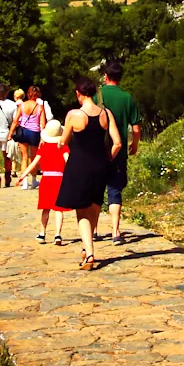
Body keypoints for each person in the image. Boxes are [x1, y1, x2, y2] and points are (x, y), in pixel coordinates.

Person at [57, 76, 122, 270]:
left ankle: (90, 253)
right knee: (94, 206)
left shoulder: (74, 115)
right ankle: (87, 248)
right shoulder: (106, 114)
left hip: (79, 165)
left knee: (81, 210)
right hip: (100, 165)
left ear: (78, 93)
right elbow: (117, 142)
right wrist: (107, 158)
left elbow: (63, 141)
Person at [98, 60, 143, 245]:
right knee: (115, 189)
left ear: (106, 76)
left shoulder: (96, 96)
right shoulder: (127, 98)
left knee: (96, 189)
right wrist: (134, 144)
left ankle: (93, 230)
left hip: (98, 150)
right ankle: (115, 231)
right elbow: (136, 127)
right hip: (119, 150)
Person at [14, 118, 69, 245]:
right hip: (59, 179)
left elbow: (33, 163)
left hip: (46, 180)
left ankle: (42, 233)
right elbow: (68, 161)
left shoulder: (43, 148)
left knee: (46, 208)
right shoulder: (63, 147)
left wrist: (23, 176)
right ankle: (57, 235)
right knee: (59, 209)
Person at [8, 85, 44, 189]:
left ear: (28, 94)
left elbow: (15, 120)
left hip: (23, 131)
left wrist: (10, 133)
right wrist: (43, 137)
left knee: (24, 157)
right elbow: (43, 124)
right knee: (33, 158)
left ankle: (24, 182)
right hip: (34, 132)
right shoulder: (39, 107)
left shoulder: (22, 105)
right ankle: (33, 181)